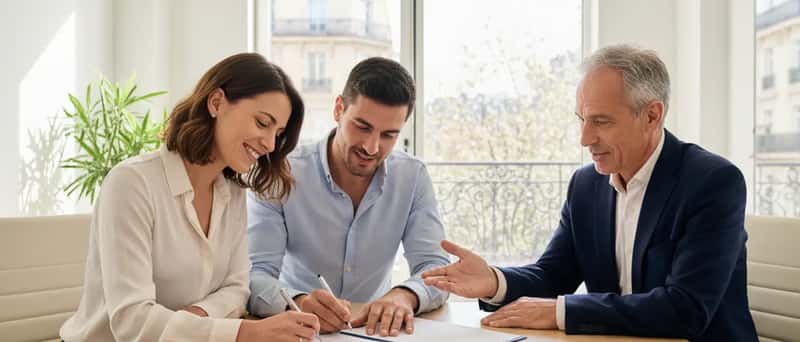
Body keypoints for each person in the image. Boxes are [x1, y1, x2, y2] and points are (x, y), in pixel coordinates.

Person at [421, 45, 758, 341]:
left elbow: (686, 309)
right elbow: (554, 274)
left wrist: (559, 312)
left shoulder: (713, 182)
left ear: (652, 115)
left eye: (601, 121)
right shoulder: (586, 185)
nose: (584, 138)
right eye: (581, 119)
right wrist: (494, 282)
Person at [59, 53, 320, 342]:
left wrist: (192, 319)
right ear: (217, 102)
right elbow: (131, 321)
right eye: (262, 123)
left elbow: (236, 288)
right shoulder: (132, 184)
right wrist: (242, 332)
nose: (270, 144)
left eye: (278, 132)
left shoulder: (231, 194)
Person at [247, 57, 449, 337]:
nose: (371, 146)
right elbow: (254, 273)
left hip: (376, 333)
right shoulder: (282, 172)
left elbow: (435, 268)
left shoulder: (412, 177)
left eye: (389, 134)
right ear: (339, 109)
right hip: (300, 329)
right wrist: (298, 301)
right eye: (362, 127)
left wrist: (404, 296)